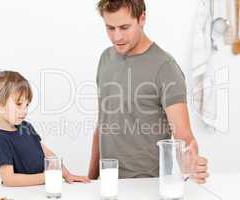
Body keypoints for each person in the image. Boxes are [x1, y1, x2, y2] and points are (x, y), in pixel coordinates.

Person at [88, 0, 209, 184]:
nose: (116, 36)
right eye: (110, 28)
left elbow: (183, 135)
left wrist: (189, 162)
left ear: (142, 18)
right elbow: (102, 125)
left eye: (124, 27)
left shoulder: (165, 67)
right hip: (108, 183)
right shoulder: (106, 58)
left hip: (146, 185)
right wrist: (91, 179)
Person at [0, 71, 90, 187]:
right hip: (23, 193)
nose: (25, 111)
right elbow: (10, 180)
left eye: (27, 105)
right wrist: (47, 176)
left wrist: (67, 174)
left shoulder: (25, 126)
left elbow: (46, 152)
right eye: (19, 104)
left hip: (42, 188)